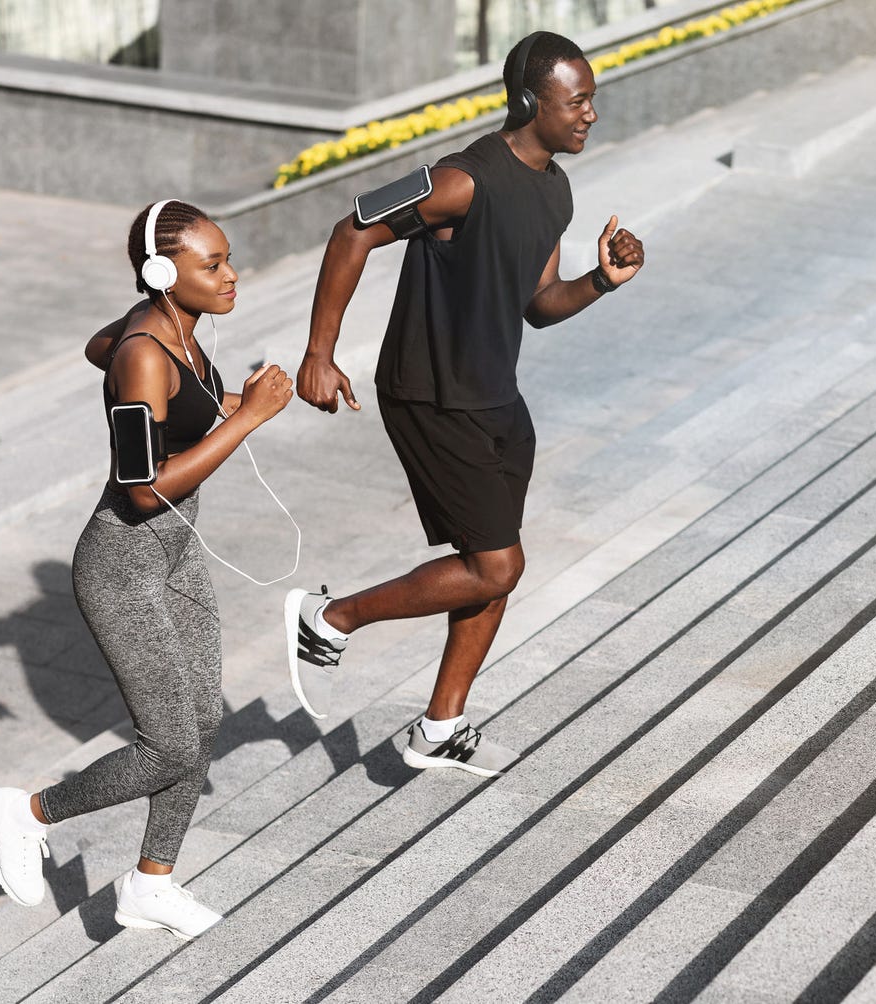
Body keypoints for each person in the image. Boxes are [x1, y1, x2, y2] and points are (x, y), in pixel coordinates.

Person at [285, 31, 645, 777]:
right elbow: (351, 230)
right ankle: (329, 617)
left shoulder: (555, 189)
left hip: (492, 393)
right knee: (496, 564)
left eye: (592, 100)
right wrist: (319, 353)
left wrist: (600, 280)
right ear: (528, 103)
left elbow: (539, 304)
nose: (590, 115)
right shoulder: (461, 180)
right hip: (430, 392)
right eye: (575, 101)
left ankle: (439, 727)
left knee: (493, 561)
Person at [0, 200, 293, 939]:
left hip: (174, 551)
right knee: (171, 745)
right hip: (122, 563)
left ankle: (152, 882)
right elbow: (143, 487)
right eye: (211, 264)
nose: (231, 275)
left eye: (227, 257)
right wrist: (247, 419)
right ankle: (23, 814)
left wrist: (249, 398)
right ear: (161, 272)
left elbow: (102, 347)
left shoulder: (169, 331)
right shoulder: (146, 352)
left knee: (204, 720)